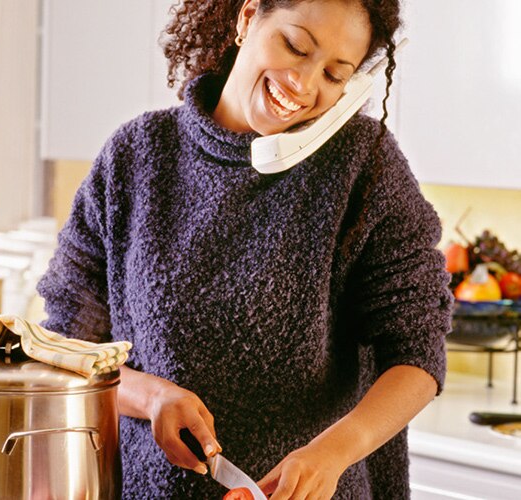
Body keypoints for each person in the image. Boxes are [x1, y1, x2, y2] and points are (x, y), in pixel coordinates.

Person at [37, 0, 453, 498]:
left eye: (334, 74)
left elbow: (418, 355)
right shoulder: (135, 158)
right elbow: (64, 349)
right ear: (247, 17)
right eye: (295, 46)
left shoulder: (364, 165)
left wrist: (332, 453)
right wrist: (151, 398)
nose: (303, 83)